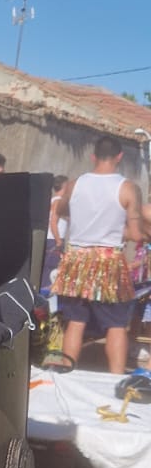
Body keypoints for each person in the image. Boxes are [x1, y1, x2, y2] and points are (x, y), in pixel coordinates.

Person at [50, 137, 144, 373]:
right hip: (108, 263)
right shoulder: (127, 188)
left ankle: (67, 372)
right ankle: (115, 378)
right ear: (120, 157)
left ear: (93, 157)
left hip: (76, 261)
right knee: (116, 325)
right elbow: (135, 233)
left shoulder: (75, 184)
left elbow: (61, 210)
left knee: (75, 322)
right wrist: (116, 229)